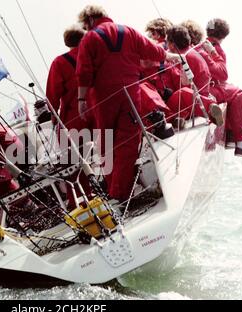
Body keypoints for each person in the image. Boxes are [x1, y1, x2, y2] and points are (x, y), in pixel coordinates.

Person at [76, 5, 179, 203]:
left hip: (103, 99)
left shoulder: (90, 38)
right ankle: (120, 193)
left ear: (89, 20)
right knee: (128, 143)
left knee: (106, 144)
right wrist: (170, 56)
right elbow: (153, 51)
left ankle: (113, 193)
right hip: (131, 94)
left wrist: (81, 100)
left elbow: (84, 72)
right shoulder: (128, 31)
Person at [46, 25, 92, 209]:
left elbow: (52, 94)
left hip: (75, 117)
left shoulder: (60, 63)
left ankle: (80, 200)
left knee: (72, 164)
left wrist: (54, 115)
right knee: (109, 152)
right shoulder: (94, 55)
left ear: (67, 42)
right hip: (100, 111)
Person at [204, 18, 242, 158]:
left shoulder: (201, 44)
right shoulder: (216, 48)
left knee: (238, 92)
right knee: (239, 93)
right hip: (210, 88)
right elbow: (222, 74)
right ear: (224, 35)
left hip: (207, 87)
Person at [164, 25, 224, 125]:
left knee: (182, 93)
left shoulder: (181, 58)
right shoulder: (194, 53)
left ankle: (210, 110)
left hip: (190, 106)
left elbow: (181, 85)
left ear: (171, 45)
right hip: (200, 99)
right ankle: (211, 108)